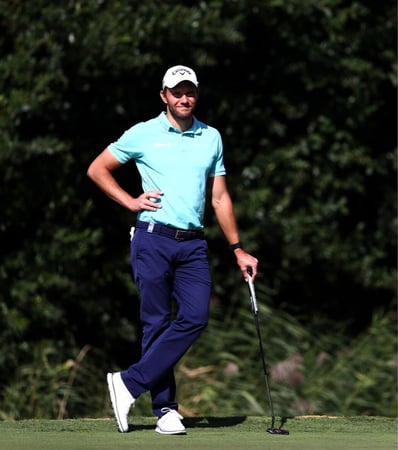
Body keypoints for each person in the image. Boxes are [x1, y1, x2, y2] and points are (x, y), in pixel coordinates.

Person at [87, 65, 259, 434]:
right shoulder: (143, 134)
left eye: (190, 92)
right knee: (156, 323)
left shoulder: (210, 137)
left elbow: (219, 196)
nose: (184, 98)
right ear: (163, 95)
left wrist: (238, 249)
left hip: (193, 244)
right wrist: (130, 202)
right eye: (177, 92)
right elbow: (98, 169)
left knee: (196, 316)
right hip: (152, 238)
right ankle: (165, 410)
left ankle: (128, 383)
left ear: (196, 94)